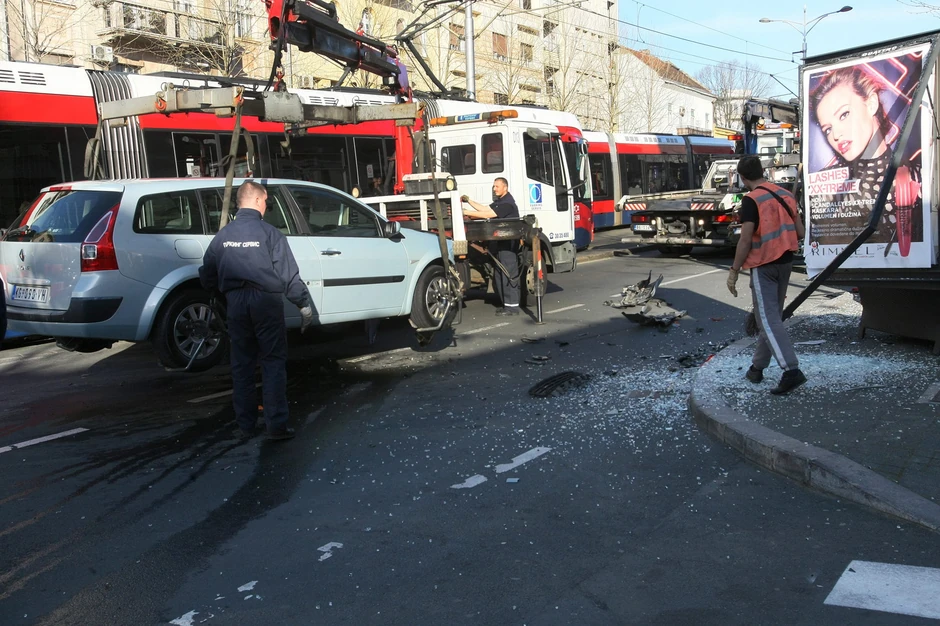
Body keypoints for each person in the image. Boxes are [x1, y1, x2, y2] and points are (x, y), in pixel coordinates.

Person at [199, 181, 314, 440]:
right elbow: (288, 276)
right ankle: (276, 426)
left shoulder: (223, 237)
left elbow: (207, 274)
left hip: (236, 304)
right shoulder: (270, 234)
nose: (266, 206)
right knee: (272, 363)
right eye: (266, 202)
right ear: (260, 201)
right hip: (266, 302)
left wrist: (223, 294)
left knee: (242, 364)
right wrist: (303, 304)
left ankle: (246, 425)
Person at [809, 66, 922, 244]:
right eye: (828, 129)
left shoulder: (917, 176)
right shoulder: (825, 185)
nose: (836, 135)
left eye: (844, 114)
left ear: (871, 104)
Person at [727, 156, 807, 395]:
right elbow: (800, 232)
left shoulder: (751, 200)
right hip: (785, 264)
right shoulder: (785, 195)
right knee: (771, 318)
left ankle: (791, 370)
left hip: (764, 265)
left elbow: (744, 240)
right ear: (762, 171)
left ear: (742, 177)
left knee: (768, 320)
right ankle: (757, 368)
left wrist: (733, 271)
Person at [461, 177, 521, 316]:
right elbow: (484, 209)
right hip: (500, 242)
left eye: (497, 186)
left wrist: (466, 212)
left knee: (508, 274)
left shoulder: (508, 204)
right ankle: (506, 305)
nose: (494, 189)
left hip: (508, 243)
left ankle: (512, 308)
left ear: (505, 187)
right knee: (500, 275)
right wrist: (468, 200)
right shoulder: (500, 202)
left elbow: (488, 214)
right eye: (494, 186)